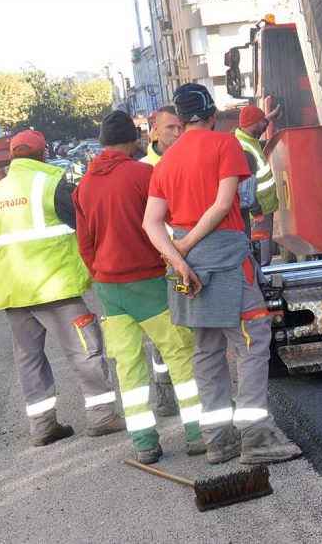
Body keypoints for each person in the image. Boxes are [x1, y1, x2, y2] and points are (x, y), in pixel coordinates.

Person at [144, 83, 301, 466]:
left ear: (178, 121)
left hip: (190, 273)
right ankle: (256, 438)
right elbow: (222, 205)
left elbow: (151, 223)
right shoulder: (225, 145)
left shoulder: (164, 162)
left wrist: (179, 259)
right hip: (227, 262)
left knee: (206, 352)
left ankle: (218, 441)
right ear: (212, 115)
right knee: (252, 342)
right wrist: (184, 249)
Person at [74, 111, 205, 463]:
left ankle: (145, 443)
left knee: (128, 365)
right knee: (179, 353)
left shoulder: (84, 185)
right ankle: (197, 433)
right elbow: (168, 223)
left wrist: (102, 273)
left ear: (102, 143)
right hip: (145, 279)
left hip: (109, 287)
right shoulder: (142, 174)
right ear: (134, 141)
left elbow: (85, 245)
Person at [0, 129, 125, 446]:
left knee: (29, 359)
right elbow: (84, 224)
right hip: (55, 287)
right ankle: (101, 417)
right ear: (43, 154)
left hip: (15, 293)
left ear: (12, 156)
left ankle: (42, 427)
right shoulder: (51, 185)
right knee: (85, 349)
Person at [140, 103, 184, 416]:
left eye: (180, 127)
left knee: (200, 329)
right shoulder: (145, 167)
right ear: (156, 129)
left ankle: (208, 392)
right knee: (162, 335)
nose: (177, 133)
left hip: (192, 253)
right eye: (170, 128)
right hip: (161, 260)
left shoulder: (189, 158)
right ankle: (165, 389)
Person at [234, 104, 280, 264]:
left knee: (261, 249)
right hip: (258, 213)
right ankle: (262, 283)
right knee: (261, 254)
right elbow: (245, 188)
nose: (264, 126)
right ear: (253, 124)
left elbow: (258, 126)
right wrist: (257, 212)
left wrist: (269, 117)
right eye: (262, 122)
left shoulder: (247, 139)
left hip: (262, 209)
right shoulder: (244, 148)